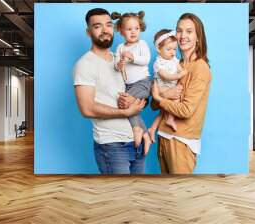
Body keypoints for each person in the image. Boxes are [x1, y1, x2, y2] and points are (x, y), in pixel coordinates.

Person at [73, 8, 147, 174]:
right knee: (120, 198)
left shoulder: (119, 59)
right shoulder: (85, 64)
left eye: (108, 25)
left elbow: (137, 90)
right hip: (112, 146)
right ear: (88, 32)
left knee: (138, 196)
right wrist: (126, 112)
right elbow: (87, 108)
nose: (105, 30)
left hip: (136, 142)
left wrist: (143, 130)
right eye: (97, 26)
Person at [150, 13, 212, 174]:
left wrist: (160, 97)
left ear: (198, 37)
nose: (183, 36)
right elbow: (153, 105)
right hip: (164, 136)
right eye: (179, 30)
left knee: (182, 195)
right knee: (167, 196)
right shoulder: (176, 64)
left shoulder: (200, 68)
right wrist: (164, 95)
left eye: (189, 31)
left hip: (181, 141)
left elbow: (185, 110)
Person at [111, 11, 152, 155]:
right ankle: (146, 135)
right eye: (129, 29)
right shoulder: (120, 48)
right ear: (121, 31)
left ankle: (137, 129)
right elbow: (116, 64)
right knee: (126, 105)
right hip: (129, 85)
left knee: (125, 103)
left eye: (136, 28)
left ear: (140, 28)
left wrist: (133, 57)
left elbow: (146, 60)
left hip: (143, 83)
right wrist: (119, 65)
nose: (133, 32)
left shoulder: (142, 44)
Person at [148, 29, 188, 142]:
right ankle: (169, 119)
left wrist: (183, 71)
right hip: (162, 86)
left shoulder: (174, 60)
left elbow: (181, 69)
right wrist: (179, 75)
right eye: (168, 49)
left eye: (174, 49)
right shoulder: (158, 63)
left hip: (171, 86)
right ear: (158, 49)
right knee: (172, 100)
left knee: (165, 109)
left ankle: (152, 128)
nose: (172, 52)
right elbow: (165, 76)